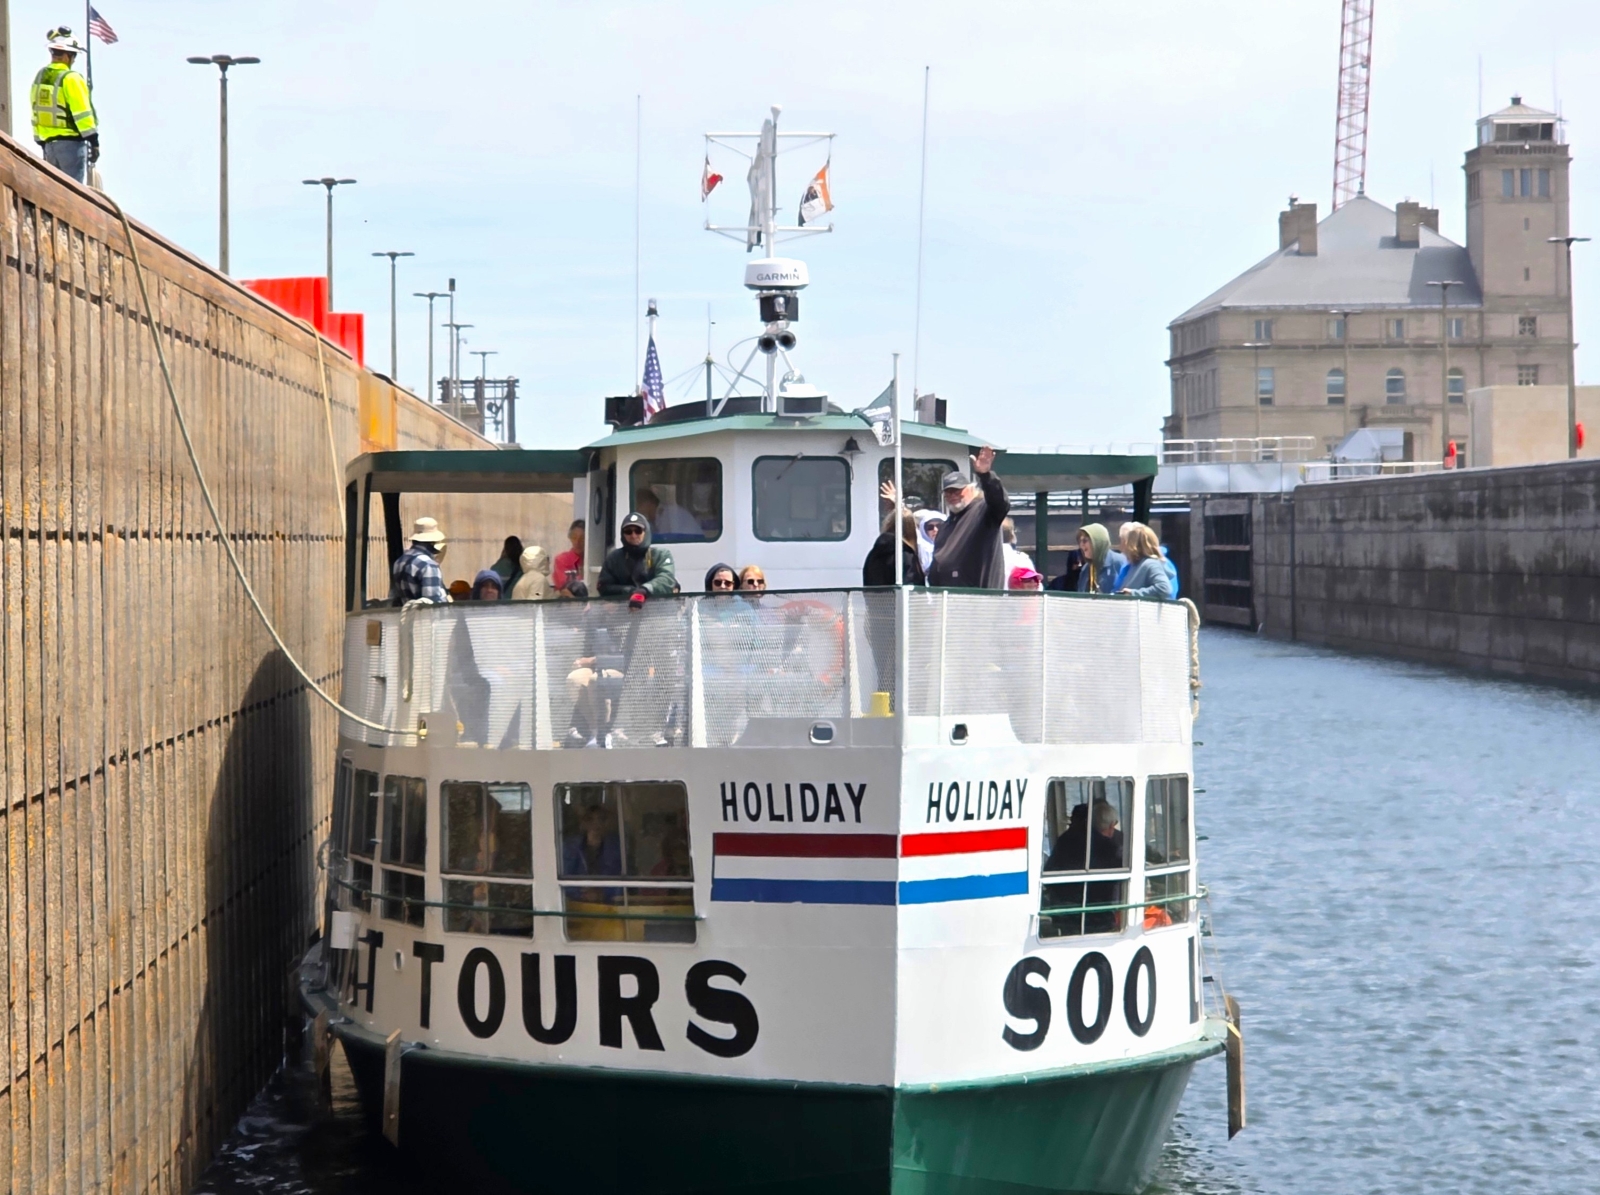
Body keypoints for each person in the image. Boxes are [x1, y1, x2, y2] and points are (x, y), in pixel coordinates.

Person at [926, 446, 1010, 589]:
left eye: (957, 490)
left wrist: (985, 475)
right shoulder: (945, 526)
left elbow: (1000, 502)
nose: (952, 495)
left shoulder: (984, 512)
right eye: (948, 492)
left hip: (979, 601)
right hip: (949, 602)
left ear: (971, 489)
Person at [31, 29, 98, 185]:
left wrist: (40, 141)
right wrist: (94, 142)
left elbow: (35, 110)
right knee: (72, 193)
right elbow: (82, 114)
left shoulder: (40, 76)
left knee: (52, 192)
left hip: (48, 146)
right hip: (71, 146)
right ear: (68, 56)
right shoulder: (71, 78)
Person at [598, 512, 676, 599]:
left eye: (638, 530)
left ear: (646, 532)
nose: (633, 535)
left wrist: (644, 590)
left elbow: (666, 579)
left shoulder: (661, 555)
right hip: (624, 609)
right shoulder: (613, 558)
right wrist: (629, 591)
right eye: (628, 531)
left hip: (658, 609)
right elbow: (604, 586)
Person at [391, 517, 449, 605]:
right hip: (425, 617)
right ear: (433, 541)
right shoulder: (428, 565)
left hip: (408, 615)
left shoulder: (399, 561)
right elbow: (433, 604)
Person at [862, 504, 924, 587]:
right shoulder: (906, 555)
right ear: (912, 529)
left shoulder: (873, 553)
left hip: (875, 599)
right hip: (897, 599)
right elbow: (911, 587)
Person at [1116, 522, 1174, 599]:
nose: (1124, 547)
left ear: (1134, 545)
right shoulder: (1135, 565)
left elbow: (1164, 588)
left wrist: (1134, 593)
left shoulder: (1151, 564)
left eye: (1129, 542)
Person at [1074, 524, 1125, 595]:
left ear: (1097, 542)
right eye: (1080, 541)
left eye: (1085, 540)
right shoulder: (1086, 569)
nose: (1082, 545)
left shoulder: (1121, 562)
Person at [636, 488, 703, 541]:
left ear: (648, 503)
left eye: (639, 504)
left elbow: (665, 540)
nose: (637, 509)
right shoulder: (654, 519)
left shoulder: (668, 515)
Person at [1001, 518, 1035, 589]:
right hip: (1016, 599)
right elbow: (1036, 589)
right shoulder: (1022, 560)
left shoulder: (980, 559)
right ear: (1012, 535)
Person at [553, 520, 585, 591]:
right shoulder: (562, 559)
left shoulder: (593, 560)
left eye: (582, 539)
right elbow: (564, 585)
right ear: (570, 538)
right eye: (574, 537)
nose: (577, 542)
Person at [914, 509, 945, 575]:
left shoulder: (953, 544)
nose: (935, 530)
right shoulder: (921, 548)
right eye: (930, 527)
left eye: (939, 526)